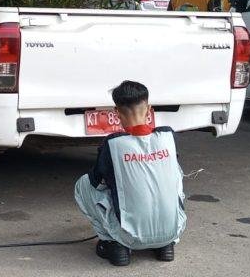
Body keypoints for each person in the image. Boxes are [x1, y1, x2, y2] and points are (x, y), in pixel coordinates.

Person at [74, 81, 186, 267]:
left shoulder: (113, 144)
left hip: (130, 236)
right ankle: (164, 245)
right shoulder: (168, 137)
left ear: (117, 113)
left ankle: (114, 243)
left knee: (84, 184)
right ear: (149, 109)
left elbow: (97, 183)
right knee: (175, 173)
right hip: (174, 230)